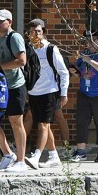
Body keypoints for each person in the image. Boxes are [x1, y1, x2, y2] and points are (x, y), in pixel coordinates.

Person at [0, 9, 31, 170]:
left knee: (16, 122)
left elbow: (21, 61)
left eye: (1, 21)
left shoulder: (15, 37)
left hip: (15, 86)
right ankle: (8, 154)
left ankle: (21, 161)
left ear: (10, 22)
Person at [23, 19, 69, 168]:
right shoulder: (27, 49)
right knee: (44, 125)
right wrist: (27, 90)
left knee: (43, 125)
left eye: (38, 31)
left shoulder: (51, 49)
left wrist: (64, 93)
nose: (35, 34)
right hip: (33, 92)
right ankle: (54, 156)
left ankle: (36, 156)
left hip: (50, 92)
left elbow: (63, 72)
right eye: (32, 32)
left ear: (43, 32)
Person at [70, 31, 98, 163]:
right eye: (86, 40)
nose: (88, 43)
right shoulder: (83, 54)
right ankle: (81, 151)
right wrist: (75, 73)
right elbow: (81, 72)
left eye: (91, 40)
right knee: (82, 121)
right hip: (85, 93)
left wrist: (90, 60)